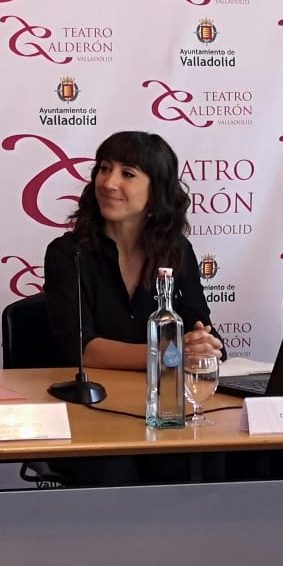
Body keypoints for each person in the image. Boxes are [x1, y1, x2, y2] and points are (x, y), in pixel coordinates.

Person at [40, 130, 222, 488]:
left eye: (127, 173)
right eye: (104, 169)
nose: (108, 183)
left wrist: (203, 346)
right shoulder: (68, 253)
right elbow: (82, 349)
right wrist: (169, 355)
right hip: (92, 414)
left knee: (206, 461)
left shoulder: (176, 251)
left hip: (161, 408)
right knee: (115, 471)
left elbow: (199, 328)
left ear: (157, 191)